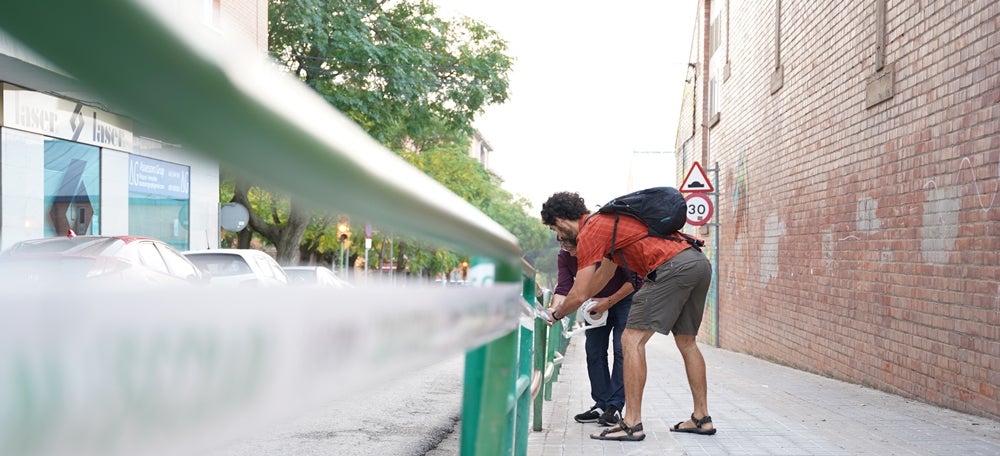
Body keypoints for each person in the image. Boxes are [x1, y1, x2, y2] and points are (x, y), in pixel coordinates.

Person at [540, 191, 716, 441]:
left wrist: (555, 314)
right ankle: (702, 418)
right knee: (687, 342)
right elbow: (601, 278)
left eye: (554, 229)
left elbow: (578, 294)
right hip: (696, 262)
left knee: (631, 340)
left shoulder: (591, 230)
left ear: (560, 219)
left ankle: (632, 423)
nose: (558, 236)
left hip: (670, 267)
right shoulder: (609, 223)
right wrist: (592, 301)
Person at [551, 230, 639, 427]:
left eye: (571, 247)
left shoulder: (606, 249)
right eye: (563, 246)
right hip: (593, 304)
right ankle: (601, 404)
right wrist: (553, 310)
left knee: (621, 349)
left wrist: (608, 302)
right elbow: (564, 287)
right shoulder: (565, 255)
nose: (568, 252)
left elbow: (634, 280)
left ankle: (614, 406)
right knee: (594, 351)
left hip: (624, 299)